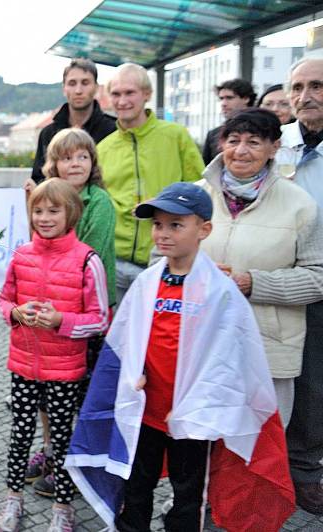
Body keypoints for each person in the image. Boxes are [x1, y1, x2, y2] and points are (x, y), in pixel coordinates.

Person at [67, 182, 295, 532]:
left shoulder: (219, 290)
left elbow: (230, 358)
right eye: (158, 224)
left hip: (192, 419)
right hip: (145, 413)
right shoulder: (147, 283)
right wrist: (134, 372)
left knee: (187, 495)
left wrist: (195, 401)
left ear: (204, 229)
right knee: (135, 487)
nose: (163, 233)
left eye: (176, 225)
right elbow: (127, 341)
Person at [198, 107, 323, 428]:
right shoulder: (196, 196)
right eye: (233, 140)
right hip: (202, 338)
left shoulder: (301, 205)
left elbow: (317, 278)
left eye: (254, 142)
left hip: (268, 346)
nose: (240, 151)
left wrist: (252, 283)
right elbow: (163, 257)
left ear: (274, 148)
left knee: (260, 447)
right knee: (201, 441)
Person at [0, 178, 109, 532]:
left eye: (53, 210)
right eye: (38, 210)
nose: (45, 218)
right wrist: (15, 313)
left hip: (65, 370)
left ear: (70, 213)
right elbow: (3, 301)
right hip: (24, 365)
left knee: (61, 440)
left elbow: (101, 318)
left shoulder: (87, 260)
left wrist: (61, 321)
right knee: (20, 434)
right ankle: (13, 499)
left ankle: (63, 506)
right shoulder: (21, 254)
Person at [23, 128, 116, 499]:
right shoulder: (45, 198)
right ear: (54, 164)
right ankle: (50, 450)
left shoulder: (100, 202)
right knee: (47, 390)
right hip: (46, 310)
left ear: (92, 163)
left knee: (77, 394)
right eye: (66, 157)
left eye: (82, 156)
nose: (74, 163)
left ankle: (74, 463)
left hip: (80, 315)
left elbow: (84, 255)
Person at [98, 62, 204, 304]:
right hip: (114, 262)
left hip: (164, 259)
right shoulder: (103, 148)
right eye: (116, 94)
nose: (122, 100)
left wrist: (163, 205)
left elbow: (199, 189)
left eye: (129, 92)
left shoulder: (175, 136)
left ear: (147, 94)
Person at [282, 57, 323, 515]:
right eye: (297, 86)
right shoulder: (278, 145)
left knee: (315, 383)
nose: (305, 96)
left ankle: (305, 470)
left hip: (322, 283)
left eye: (316, 85)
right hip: (278, 280)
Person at [27, 58, 116, 188]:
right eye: (72, 83)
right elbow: (39, 179)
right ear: (64, 88)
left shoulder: (113, 130)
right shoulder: (48, 134)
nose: (78, 90)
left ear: (96, 88)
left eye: (85, 83)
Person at [202, 78, 256, 164]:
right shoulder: (213, 134)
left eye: (229, 98)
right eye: (221, 99)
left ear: (246, 98)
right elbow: (207, 170)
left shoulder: (264, 129)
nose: (223, 103)